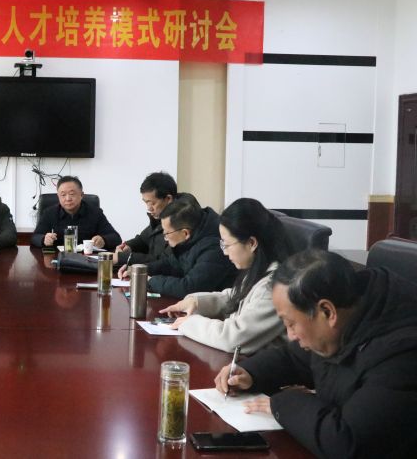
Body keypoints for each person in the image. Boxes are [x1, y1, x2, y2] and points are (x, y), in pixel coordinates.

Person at [214, 250, 417, 458]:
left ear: (327, 312)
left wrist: (284, 403)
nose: (290, 335)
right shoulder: (348, 312)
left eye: (291, 323)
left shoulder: (402, 354)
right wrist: (250, 372)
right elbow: (295, 358)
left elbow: (347, 443)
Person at [158, 198, 292, 354]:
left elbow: (232, 338)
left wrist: (189, 323)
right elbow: (234, 296)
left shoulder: (273, 288)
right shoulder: (258, 269)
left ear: (251, 243)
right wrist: (197, 302)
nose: (225, 252)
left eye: (227, 245)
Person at [134, 195, 235, 298]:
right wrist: (140, 270)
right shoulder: (195, 233)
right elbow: (171, 264)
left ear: (185, 233)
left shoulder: (213, 248)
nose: (165, 238)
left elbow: (190, 288)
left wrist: (151, 281)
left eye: (167, 233)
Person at [30, 176, 121, 249]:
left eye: (72, 194)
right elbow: (35, 237)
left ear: (81, 195)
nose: (68, 198)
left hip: (87, 259)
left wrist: (104, 240)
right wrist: (44, 239)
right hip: (57, 259)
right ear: (58, 196)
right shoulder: (49, 213)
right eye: (63, 195)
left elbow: (115, 237)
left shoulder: (95, 213)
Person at [115, 172, 176, 276]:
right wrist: (128, 247)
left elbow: (163, 261)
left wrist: (125, 258)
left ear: (168, 199)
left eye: (152, 203)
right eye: (146, 202)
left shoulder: (181, 222)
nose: (148, 208)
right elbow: (143, 240)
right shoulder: (160, 217)